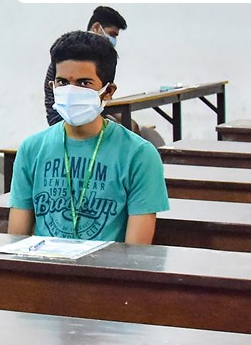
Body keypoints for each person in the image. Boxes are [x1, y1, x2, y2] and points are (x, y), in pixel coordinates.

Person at [10, 31, 168, 244]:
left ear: (108, 91)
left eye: (84, 83)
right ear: (52, 87)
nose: (71, 91)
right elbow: (16, 241)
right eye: (62, 82)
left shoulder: (139, 155)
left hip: (106, 274)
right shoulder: (32, 149)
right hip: (45, 271)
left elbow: (136, 253)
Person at [44, 6, 127, 126]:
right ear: (97, 27)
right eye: (111, 34)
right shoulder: (66, 56)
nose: (113, 40)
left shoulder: (104, 58)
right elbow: (51, 105)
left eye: (84, 83)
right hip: (61, 122)